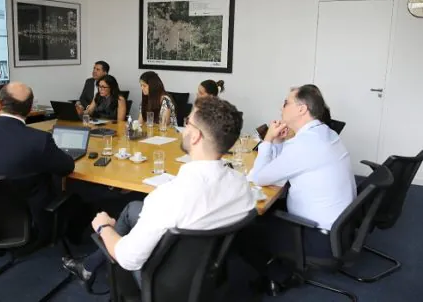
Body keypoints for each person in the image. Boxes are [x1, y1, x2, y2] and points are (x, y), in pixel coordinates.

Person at [63, 96, 255, 288]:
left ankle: (90, 268)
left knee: (113, 229)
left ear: (195, 136)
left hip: (162, 282)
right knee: (132, 208)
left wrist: (103, 228)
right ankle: (88, 266)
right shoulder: (242, 185)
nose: (185, 128)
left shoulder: (166, 197)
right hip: (206, 271)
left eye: (187, 122)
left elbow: (128, 259)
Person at [240, 85, 356, 288]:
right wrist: (277, 142)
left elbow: (259, 177)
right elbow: (278, 170)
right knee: (271, 207)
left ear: (302, 109)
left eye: (286, 103)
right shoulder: (323, 134)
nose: (281, 107)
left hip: (319, 239)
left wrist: (268, 139)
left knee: (244, 229)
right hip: (340, 230)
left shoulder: (304, 144)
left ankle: (277, 277)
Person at [0, 82, 76, 243]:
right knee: (77, 199)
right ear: (30, 110)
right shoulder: (38, 140)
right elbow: (67, 167)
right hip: (30, 222)